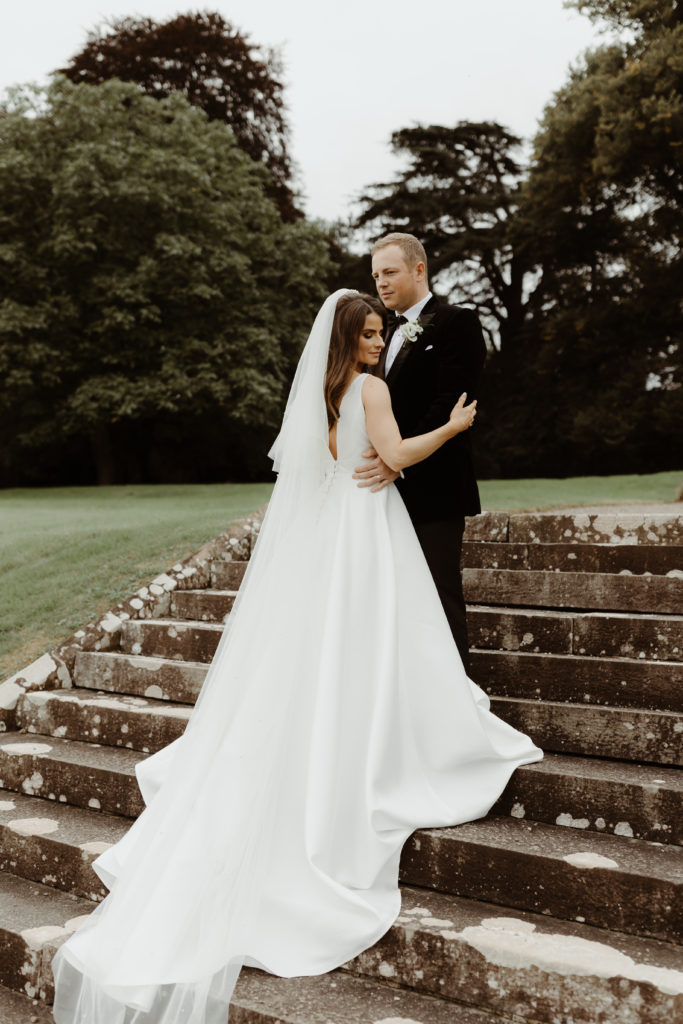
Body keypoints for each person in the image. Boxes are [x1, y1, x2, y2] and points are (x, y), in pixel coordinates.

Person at [52, 290, 542, 1024]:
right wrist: (451, 426)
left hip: (330, 531)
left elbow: (322, 470)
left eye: (381, 332)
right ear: (349, 337)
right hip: (366, 533)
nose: (379, 342)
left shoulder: (322, 391)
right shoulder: (371, 389)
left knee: (347, 645)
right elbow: (397, 455)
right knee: (380, 638)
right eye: (370, 333)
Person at [354, 233, 486, 673]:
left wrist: (397, 457)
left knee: (438, 597)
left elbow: (449, 403)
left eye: (389, 272)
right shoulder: (376, 331)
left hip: (434, 491)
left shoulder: (457, 323)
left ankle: (462, 706)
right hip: (378, 496)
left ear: (418, 270)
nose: (381, 284)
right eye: (375, 275)